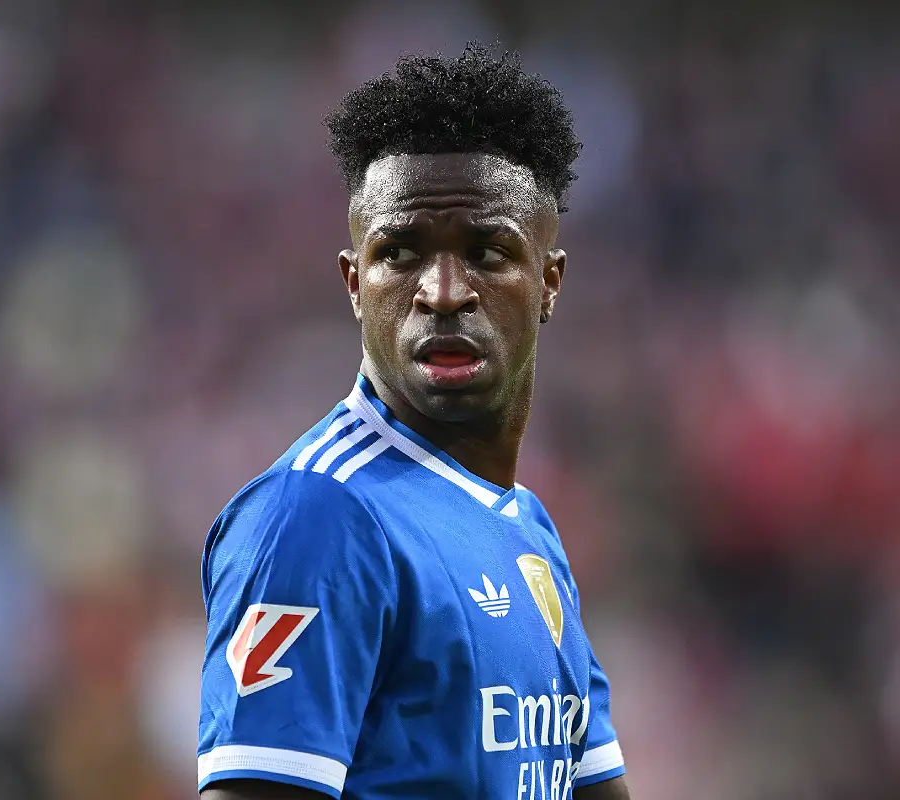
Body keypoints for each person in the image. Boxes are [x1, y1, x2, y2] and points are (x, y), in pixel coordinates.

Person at [198, 44, 631, 800]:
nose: (442, 292)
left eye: (488, 251)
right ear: (355, 283)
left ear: (550, 282)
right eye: (399, 252)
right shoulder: (321, 517)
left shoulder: (525, 530)